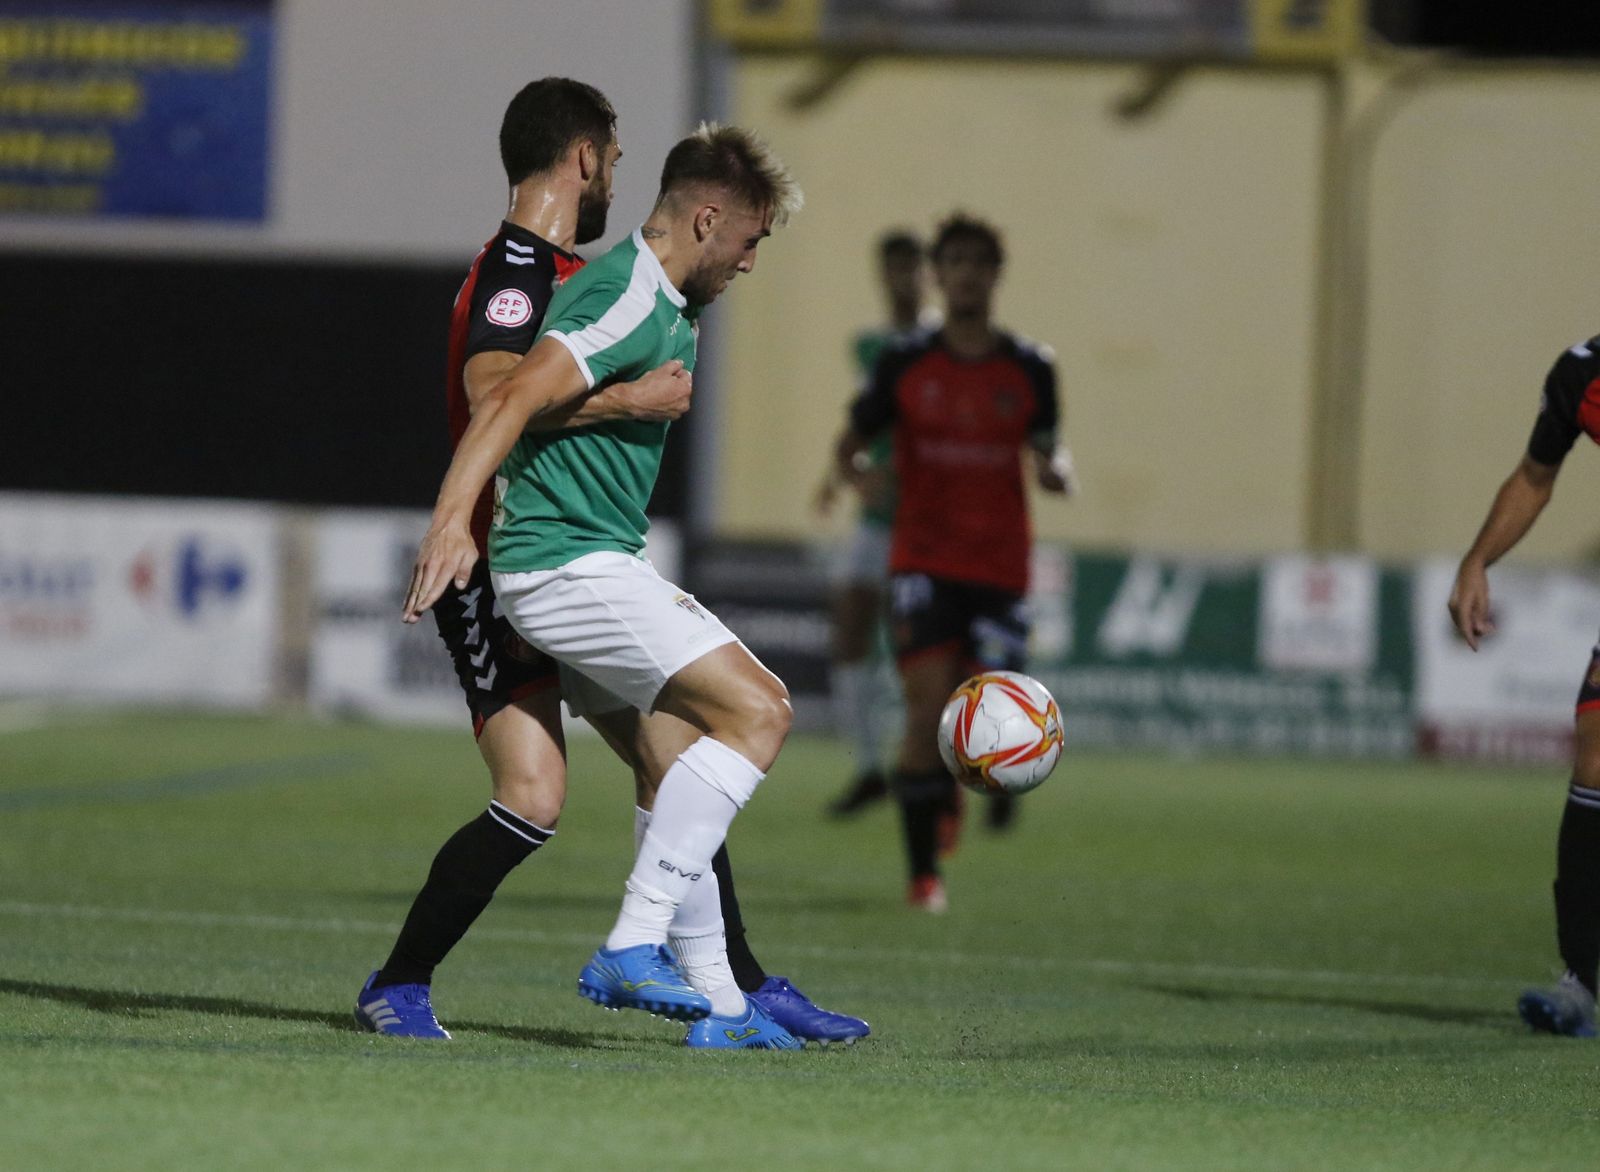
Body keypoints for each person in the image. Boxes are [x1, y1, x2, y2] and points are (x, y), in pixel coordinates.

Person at [358, 81, 866, 1050]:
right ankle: (405, 979)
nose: (617, 180)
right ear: (584, 158)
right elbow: (495, 392)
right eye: (615, 159)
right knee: (539, 792)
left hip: (543, 540)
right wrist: (617, 409)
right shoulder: (521, 268)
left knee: (672, 753)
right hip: (508, 548)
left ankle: (732, 992)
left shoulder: (587, 272)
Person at [836, 213, 1075, 912]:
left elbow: (1049, 444)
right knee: (925, 708)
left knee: (992, 697)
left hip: (1000, 567)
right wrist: (857, 478)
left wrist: (1056, 469)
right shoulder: (906, 362)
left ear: (997, 275)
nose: (968, 274)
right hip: (924, 559)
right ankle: (923, 878)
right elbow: (851, 441)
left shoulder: (1031, 366)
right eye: (956, 262)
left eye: (981, 262)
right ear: (939, 275)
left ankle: (966, 793)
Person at [1448, 332, 1600, 1038]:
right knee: (1595, 749)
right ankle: (1583, 981)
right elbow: (1536, 476)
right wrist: (1479, 560)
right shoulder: (1583, 372)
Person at [818, 231, 930, 818]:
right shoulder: (870, 347)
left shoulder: (942, 345)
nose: (901, 280)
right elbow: (861, 425)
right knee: (851, 628)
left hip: (929, 521)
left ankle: (928, 766)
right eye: (892, 270)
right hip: (875, 518)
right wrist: (845, 477)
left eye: (911, 269)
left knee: (919, 648)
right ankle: (867, 765)